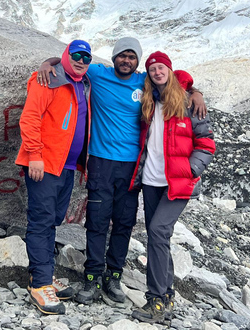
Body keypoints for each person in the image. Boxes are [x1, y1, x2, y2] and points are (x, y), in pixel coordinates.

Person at [36, 38, 206, 306]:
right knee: (97, 221)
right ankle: (91, 277)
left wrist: (196, 92)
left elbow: (176, 78)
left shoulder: (144, 82)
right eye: (122, 56)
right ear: (113, 58)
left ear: (137, 62)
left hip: (133, 167)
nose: (126, 61)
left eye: (132, 57)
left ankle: (113, 276)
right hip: (101, 163)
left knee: (124, 223)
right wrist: (48, 63)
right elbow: (71, 62)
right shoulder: (98, 73)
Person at [129, 51, 216, 324]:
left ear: (169, 69)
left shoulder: (189, 102)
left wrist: (191, 170)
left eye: (161, 67)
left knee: (156, 230)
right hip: (151, 181)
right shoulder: (147, 101)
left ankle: (155, 299)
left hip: (178, 183)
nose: (157, 72)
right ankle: (166, 297)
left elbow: (206, 143)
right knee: (159, 238)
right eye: (152, 68)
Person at [16, 39, 93, 315]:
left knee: (53, 220)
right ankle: (40, 284)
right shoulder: (47, 79)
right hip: (44, 164)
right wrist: (34, 154)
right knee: (41, 220)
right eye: (76, 55)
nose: (81, 60)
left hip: (67, 167)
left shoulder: (82, 83)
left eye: (86, 57)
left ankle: (41, 274)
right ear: (66, 55)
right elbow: (30, 118)